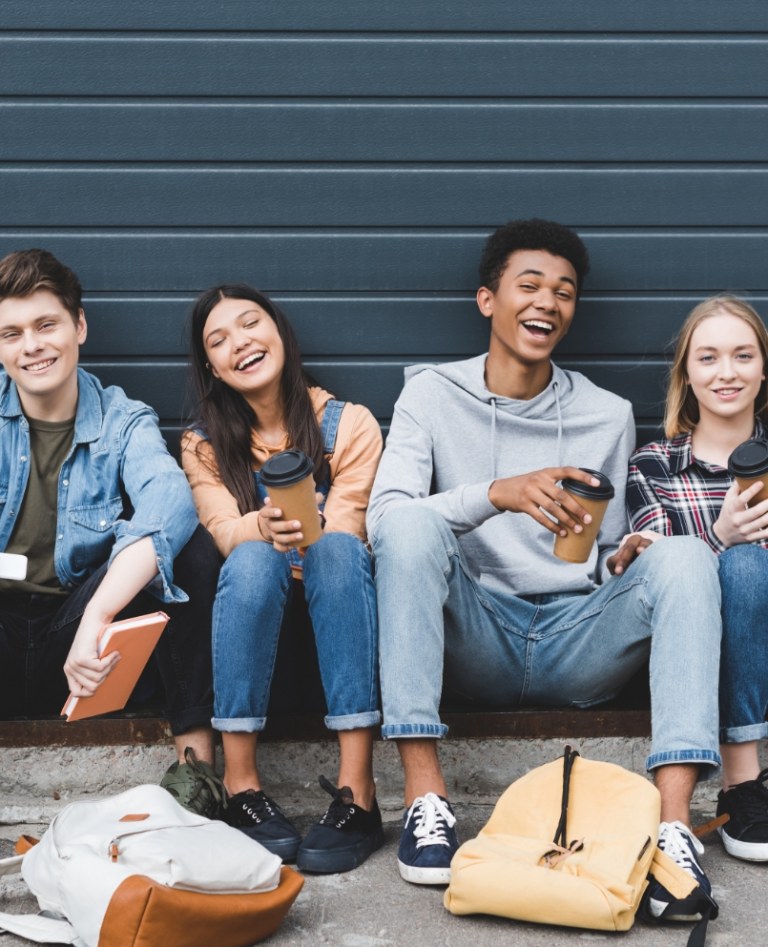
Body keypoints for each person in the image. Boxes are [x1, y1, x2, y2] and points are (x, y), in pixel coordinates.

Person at [366, 219, 721, 922]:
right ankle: (425, 799)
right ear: (486, 300)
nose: (548, 302)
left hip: (576, 637)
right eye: (529, 284)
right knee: (408, 521)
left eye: (564, 292)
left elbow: (610, 542)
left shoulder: (607, 413)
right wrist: (495, 493)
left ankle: (673, 832)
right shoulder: (430, 395)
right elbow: (383, 520)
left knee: (682, 553)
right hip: (479, 632)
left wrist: (623, 557)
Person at [0, 249, 221, 815]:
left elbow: (171, 503)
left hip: (76, 647)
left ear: (79, 326)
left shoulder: (124, 419)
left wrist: (96, 616)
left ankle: (196, 776)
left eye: (46, 325)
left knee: (189, 550)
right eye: (11, 333)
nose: (31, 347)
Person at [181, 284, 383, 874]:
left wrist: (309, 530)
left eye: (250, 325)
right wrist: (260, 529)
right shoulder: (202, 446)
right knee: (250, 557)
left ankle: (357, 793)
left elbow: (351, 532)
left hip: (341, 652)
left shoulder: (351, 424)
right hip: (251, 658)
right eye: (218, 340)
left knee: (338, 552)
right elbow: (221, 530)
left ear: (280, 334)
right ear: (212, 369)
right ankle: (241, 787)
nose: (239, 343)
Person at [627, 294, 768, 863]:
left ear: (764, 366)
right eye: (708, 358)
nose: (727, 373)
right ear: (686, 372)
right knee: (739, 566)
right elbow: (662, 576)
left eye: (743, 355)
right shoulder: (654, 465)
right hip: (704, 658)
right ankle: (742, 782)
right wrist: (721, 537)